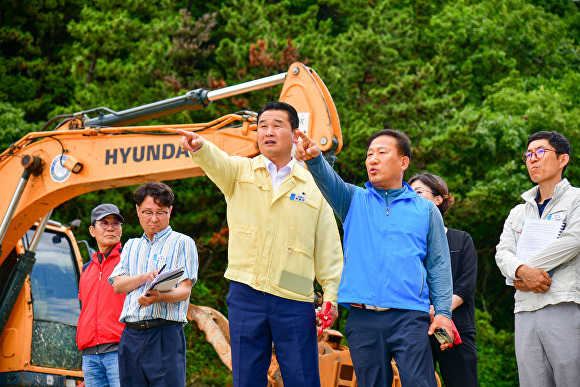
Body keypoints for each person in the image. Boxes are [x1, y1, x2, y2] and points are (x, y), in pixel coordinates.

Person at [177, 101, 343, 387]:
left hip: (294, 296)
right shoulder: (240, 172)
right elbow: (217, 162)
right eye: (262, 126)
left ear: (295, 133)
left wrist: (332, 295)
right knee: (247, 378)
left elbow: (328, 248)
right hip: (246, 293)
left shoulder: (314, 186)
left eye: (277, 125)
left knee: (302, 377)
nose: (268, 131)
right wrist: (200, 147)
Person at [295, 128, 453, 387]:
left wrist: (443, 312)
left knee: (420, 383)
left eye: (382, 153)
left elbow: (438, 264)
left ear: (403, 162)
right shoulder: (352, 199)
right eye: (369, 154)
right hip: (362, 318)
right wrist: (314, 159)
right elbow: (327, 179)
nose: (373, 159)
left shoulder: (425, 210)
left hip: (410, 316)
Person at [495, 130, 580, 387]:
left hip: (563, 301)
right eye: (528, 155)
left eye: (540, 152)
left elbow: (573, 240)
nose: (532, 159)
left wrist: (526, 270)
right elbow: (502, 253)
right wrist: (521, 270)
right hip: (524, 307)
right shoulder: (519, 210)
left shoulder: (577, 198)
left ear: (562, 159)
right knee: (532, 380)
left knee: (570, 376)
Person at [108, 181, 198, 387]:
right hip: (130, 336)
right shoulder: (131, 245)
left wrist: (160, 297)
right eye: (148, 212)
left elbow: (184, 291)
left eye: (161, 212)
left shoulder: (182, 242)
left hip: (164, 334)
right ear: (138, 210)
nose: (154, 219)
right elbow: (117, 285)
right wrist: (144, 278)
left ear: (170, 211)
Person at [408, 172, 478, 387]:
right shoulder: (406, 242)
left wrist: (439, 311)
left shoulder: (461, 239)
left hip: (455, 327)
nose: (412, 198)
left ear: (439, 199)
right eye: (408, 194)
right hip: (415, 327)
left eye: (418, 192)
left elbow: (466, 285)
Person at [77, 204, 126, 387]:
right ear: (92, 230)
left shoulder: (129, 261)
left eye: (115, 223)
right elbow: (86, 312)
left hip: (119, 352)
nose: (111, 227)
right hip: (90, 357)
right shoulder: (86, 270)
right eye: (104, 223)